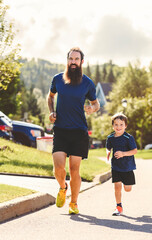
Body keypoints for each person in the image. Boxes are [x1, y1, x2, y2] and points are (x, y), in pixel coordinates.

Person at [47, 47, 100, 215]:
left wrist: (92, 109)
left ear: (81, 62)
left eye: (76, 59)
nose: (73, 62)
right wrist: (51, 111)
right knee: (58, 168)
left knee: (74, 169)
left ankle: (74, 203)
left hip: (79, 132)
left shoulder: (87, 83)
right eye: (71, 59)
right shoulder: (57, 79)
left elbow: (96, 104)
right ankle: (63, 187)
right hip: (61, 130)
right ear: (67, 61)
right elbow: (50, 97)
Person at [106, 113, 137, 216]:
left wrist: (123, 154)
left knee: (127, 189)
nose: (118, 127)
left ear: (125, 126)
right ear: (112, 126)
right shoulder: (110, 138)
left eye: (121, 124)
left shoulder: (128, 138)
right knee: (117, 186)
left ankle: (126, 183)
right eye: (116, 124)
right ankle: (118, 207)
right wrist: (108, 153)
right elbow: (108, 147)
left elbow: (134, 151)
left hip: (127, 166)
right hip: (116, 166)